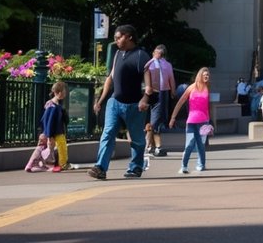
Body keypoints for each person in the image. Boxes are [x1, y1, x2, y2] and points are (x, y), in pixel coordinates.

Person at [89, 24, 154, 181]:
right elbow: (110, 79)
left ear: (129, 37)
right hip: (115, 103)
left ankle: (136, 167)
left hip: (134, 105)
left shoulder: (141, 56)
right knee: (108, 133)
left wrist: (145, 99)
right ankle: (100, 168)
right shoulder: (117, 54)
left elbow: (149, 84)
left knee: (137, 140)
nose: (116, 41)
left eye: (119, 37)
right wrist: (101, 99)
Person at [169, 66, 212, 174]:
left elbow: (208, 106)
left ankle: (201, 164)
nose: (207, 76)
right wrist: (173, 118)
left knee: (201, 144)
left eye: (208, 75)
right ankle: (184, 166)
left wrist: (210, 122)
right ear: (200, 76)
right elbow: (180, 102)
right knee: (189, 144)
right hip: (192, 121)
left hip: (204, 121)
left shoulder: (208, 87)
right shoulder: (191, 87)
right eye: (204, 75)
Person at [145, 45, 175, 158]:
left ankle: (152, 146)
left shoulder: (167, 65)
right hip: (150, 92)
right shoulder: (149, 63)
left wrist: (172, 90)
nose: (157, 55)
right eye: (156, 53)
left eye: (160, 54)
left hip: (162, 92)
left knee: (156, 120)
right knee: (152, 121)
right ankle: (151, 146)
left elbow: (171, 78)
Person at [41, 80, 68, 172]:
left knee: (61, 147)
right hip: (55, 131)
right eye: (64, 92)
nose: (65, 94)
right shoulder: (52, 106)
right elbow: (48, 121)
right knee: (58, 147)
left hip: (58, 130)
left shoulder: (57, 104)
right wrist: (49, 136)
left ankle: (61, 163)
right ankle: (60, 164)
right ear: (58, 93)